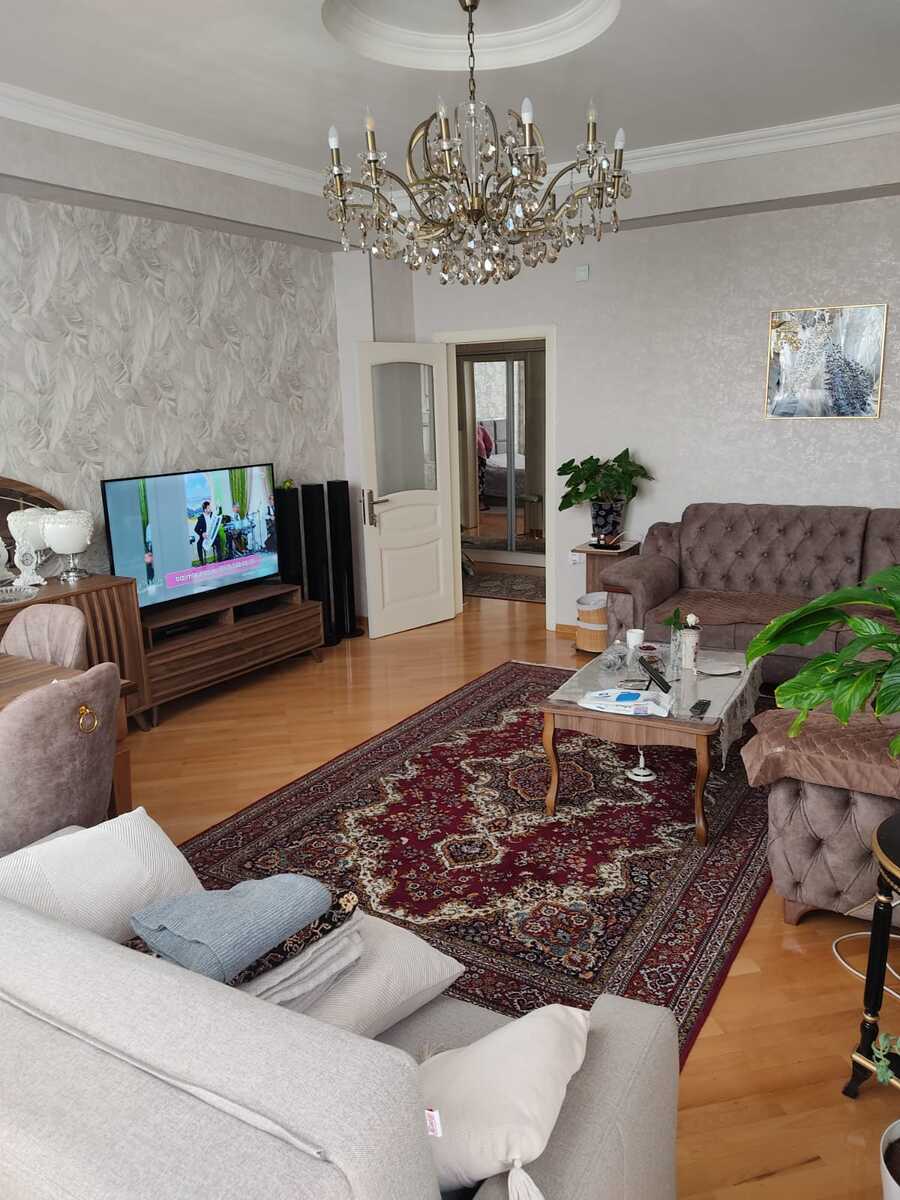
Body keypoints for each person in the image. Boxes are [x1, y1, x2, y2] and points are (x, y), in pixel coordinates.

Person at [476, 422, 494, 510]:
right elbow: (490, 443)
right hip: (480, 453)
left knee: (474, 479)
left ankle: (476, 503)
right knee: (480, 479)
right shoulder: (480, 427)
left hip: (470, 454)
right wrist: (488, 454)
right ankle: (480, 503)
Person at [194, 500, 213, 565]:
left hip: (212, 536)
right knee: (198, 544)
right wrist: (202, 534)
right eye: (209, 508)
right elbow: (196, 529)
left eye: (210, 507)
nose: (210, 509)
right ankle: (202, 562)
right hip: (205, 536)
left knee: (218, 540)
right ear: (205, 510)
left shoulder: (213, 515)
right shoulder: (201, 518)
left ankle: (220, 559)